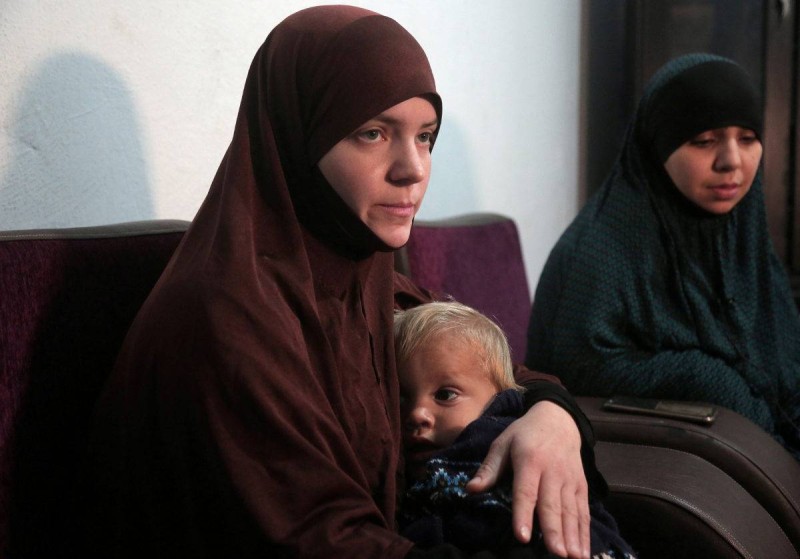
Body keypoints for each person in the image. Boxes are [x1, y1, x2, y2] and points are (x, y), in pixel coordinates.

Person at [87, 5, 597, 558]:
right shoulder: (228, 321)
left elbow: (487, 367)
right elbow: (323, 539)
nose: (413, 168)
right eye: (373, 133)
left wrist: (554, 415)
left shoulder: (363, 275)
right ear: (297, 136)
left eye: (425, 136)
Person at [526, 53, 800, 458]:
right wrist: (704, 378)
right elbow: (575, 372)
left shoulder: (741, 231)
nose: (732, 161)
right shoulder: (598, 254)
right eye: (704, 141)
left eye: (747, 138)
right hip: (660, 467)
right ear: (659, 146)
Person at [395, 302, 635, 558]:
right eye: (400, 398)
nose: (416, 414)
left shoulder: (490, 442)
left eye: (445, 395)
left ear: (498, 396)